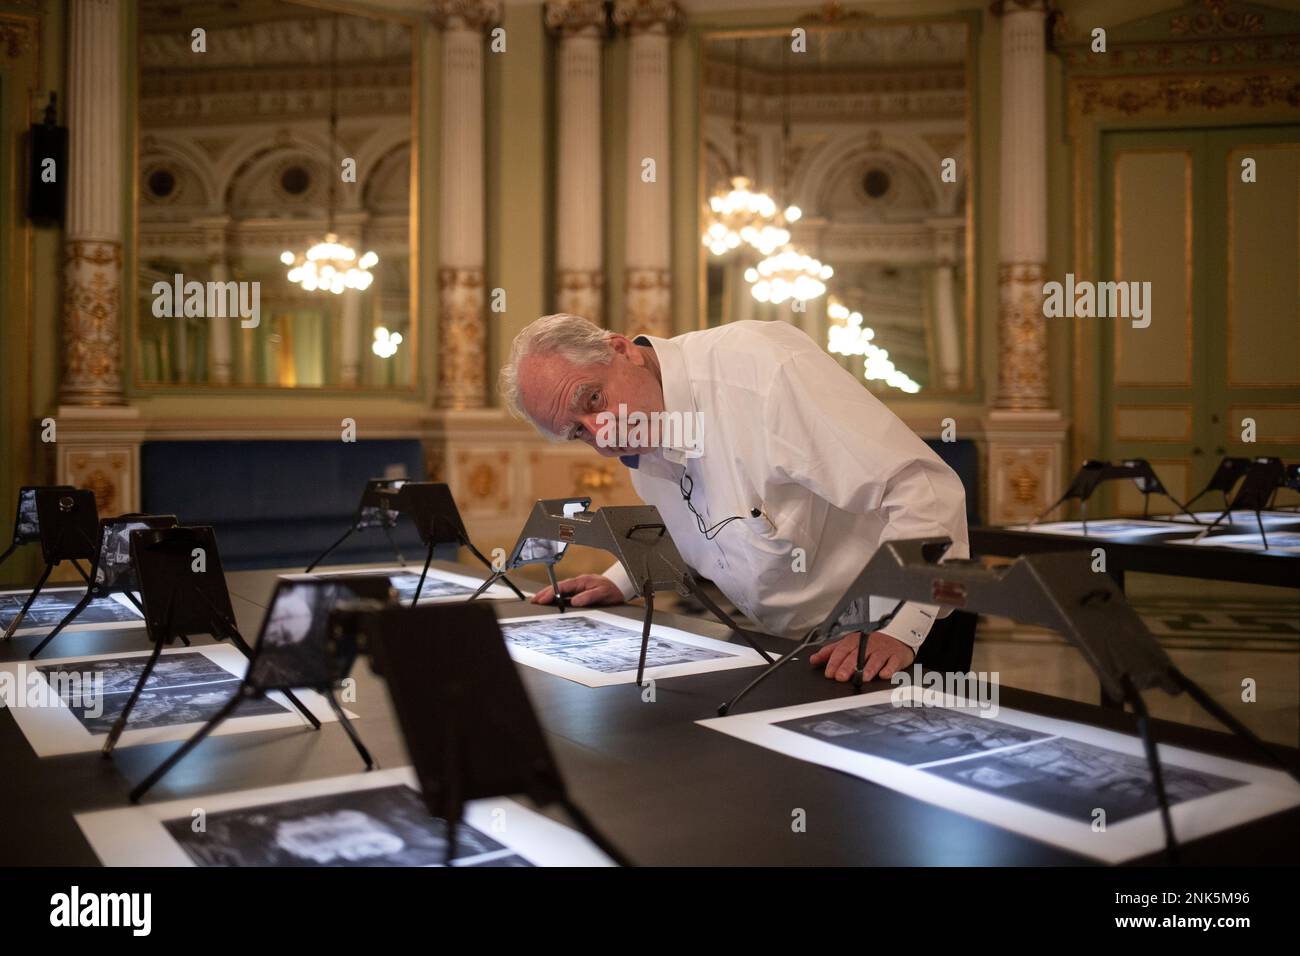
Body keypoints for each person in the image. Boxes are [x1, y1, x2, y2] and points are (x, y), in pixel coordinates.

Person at [498, 313, 971, 683]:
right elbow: (700, 520)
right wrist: (624, 578)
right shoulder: (648, 421)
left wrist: (900, 630)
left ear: (622, 349)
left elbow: (923, 488)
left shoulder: (763, 371)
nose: (603, 434)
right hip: (793, 644)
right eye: (577, 431)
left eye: (594, 400)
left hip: (899, 628)